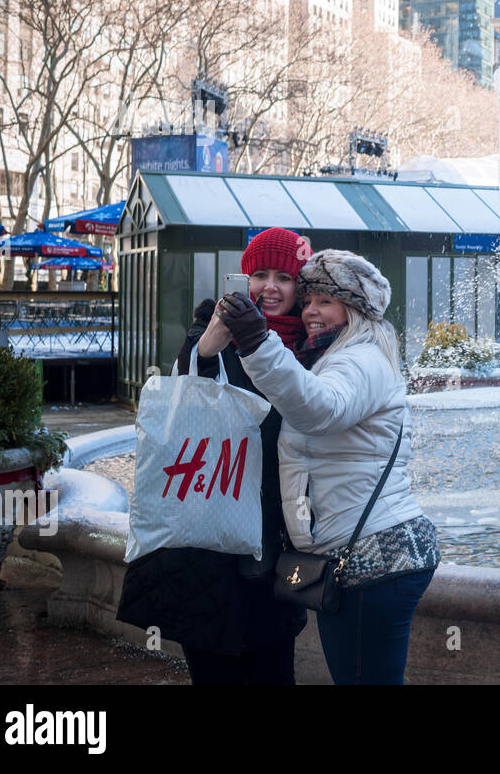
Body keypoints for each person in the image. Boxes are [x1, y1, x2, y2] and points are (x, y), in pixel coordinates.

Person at [215, 249, 439, 685]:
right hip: (367, 556)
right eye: (310, 299)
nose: (311, 311)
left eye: (326, 302)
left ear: (354, 309)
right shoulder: (337, 354)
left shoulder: (360, 359)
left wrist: (258, 343)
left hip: (372, 562)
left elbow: (319, 409)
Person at [117, 227, 310, 684]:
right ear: (243, 279)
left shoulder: (312, 339)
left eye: (284, 277)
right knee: (213, 666)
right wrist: (212, 342)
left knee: (274, 665)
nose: (270, 288)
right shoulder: (212, 326)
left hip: (274, 531)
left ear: (300, 287)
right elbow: (181, 395)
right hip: (206, 523)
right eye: (259, 274)